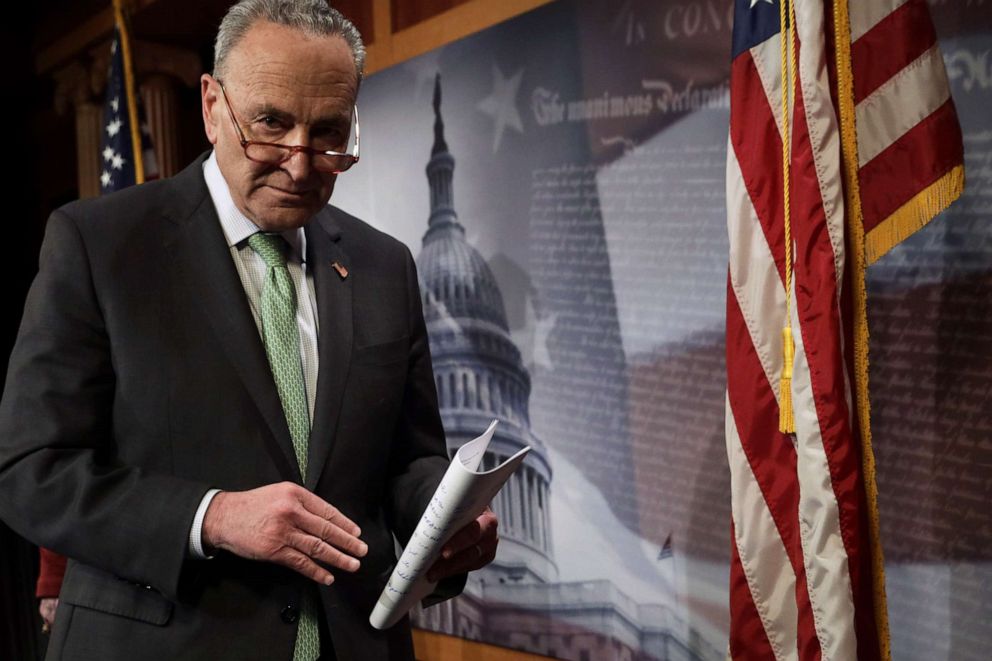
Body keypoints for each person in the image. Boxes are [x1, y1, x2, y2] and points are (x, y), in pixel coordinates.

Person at [0, 1, 498, 659]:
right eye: (271, 125)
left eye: (328, 133)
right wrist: (211, 516)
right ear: (212, 105)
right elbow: (31, 472)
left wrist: (447, 513)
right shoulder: (100, 246)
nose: (299, 164)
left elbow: (406, 457)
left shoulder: (385, 265)